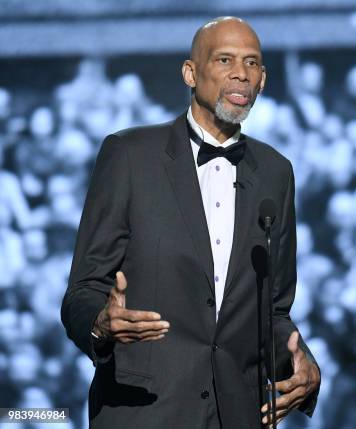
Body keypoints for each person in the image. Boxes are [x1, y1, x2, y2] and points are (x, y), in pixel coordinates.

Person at [61, 16, 320, 428]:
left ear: (264, 80)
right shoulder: (129, 155)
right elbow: (84, 289)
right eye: (224, 60)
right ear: (190, 73)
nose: (241, 73)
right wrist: (100, 323)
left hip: (237, 413)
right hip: (143, 409)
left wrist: (299, 362)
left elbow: (272, 310)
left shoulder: (276, 171)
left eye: (252, 63)